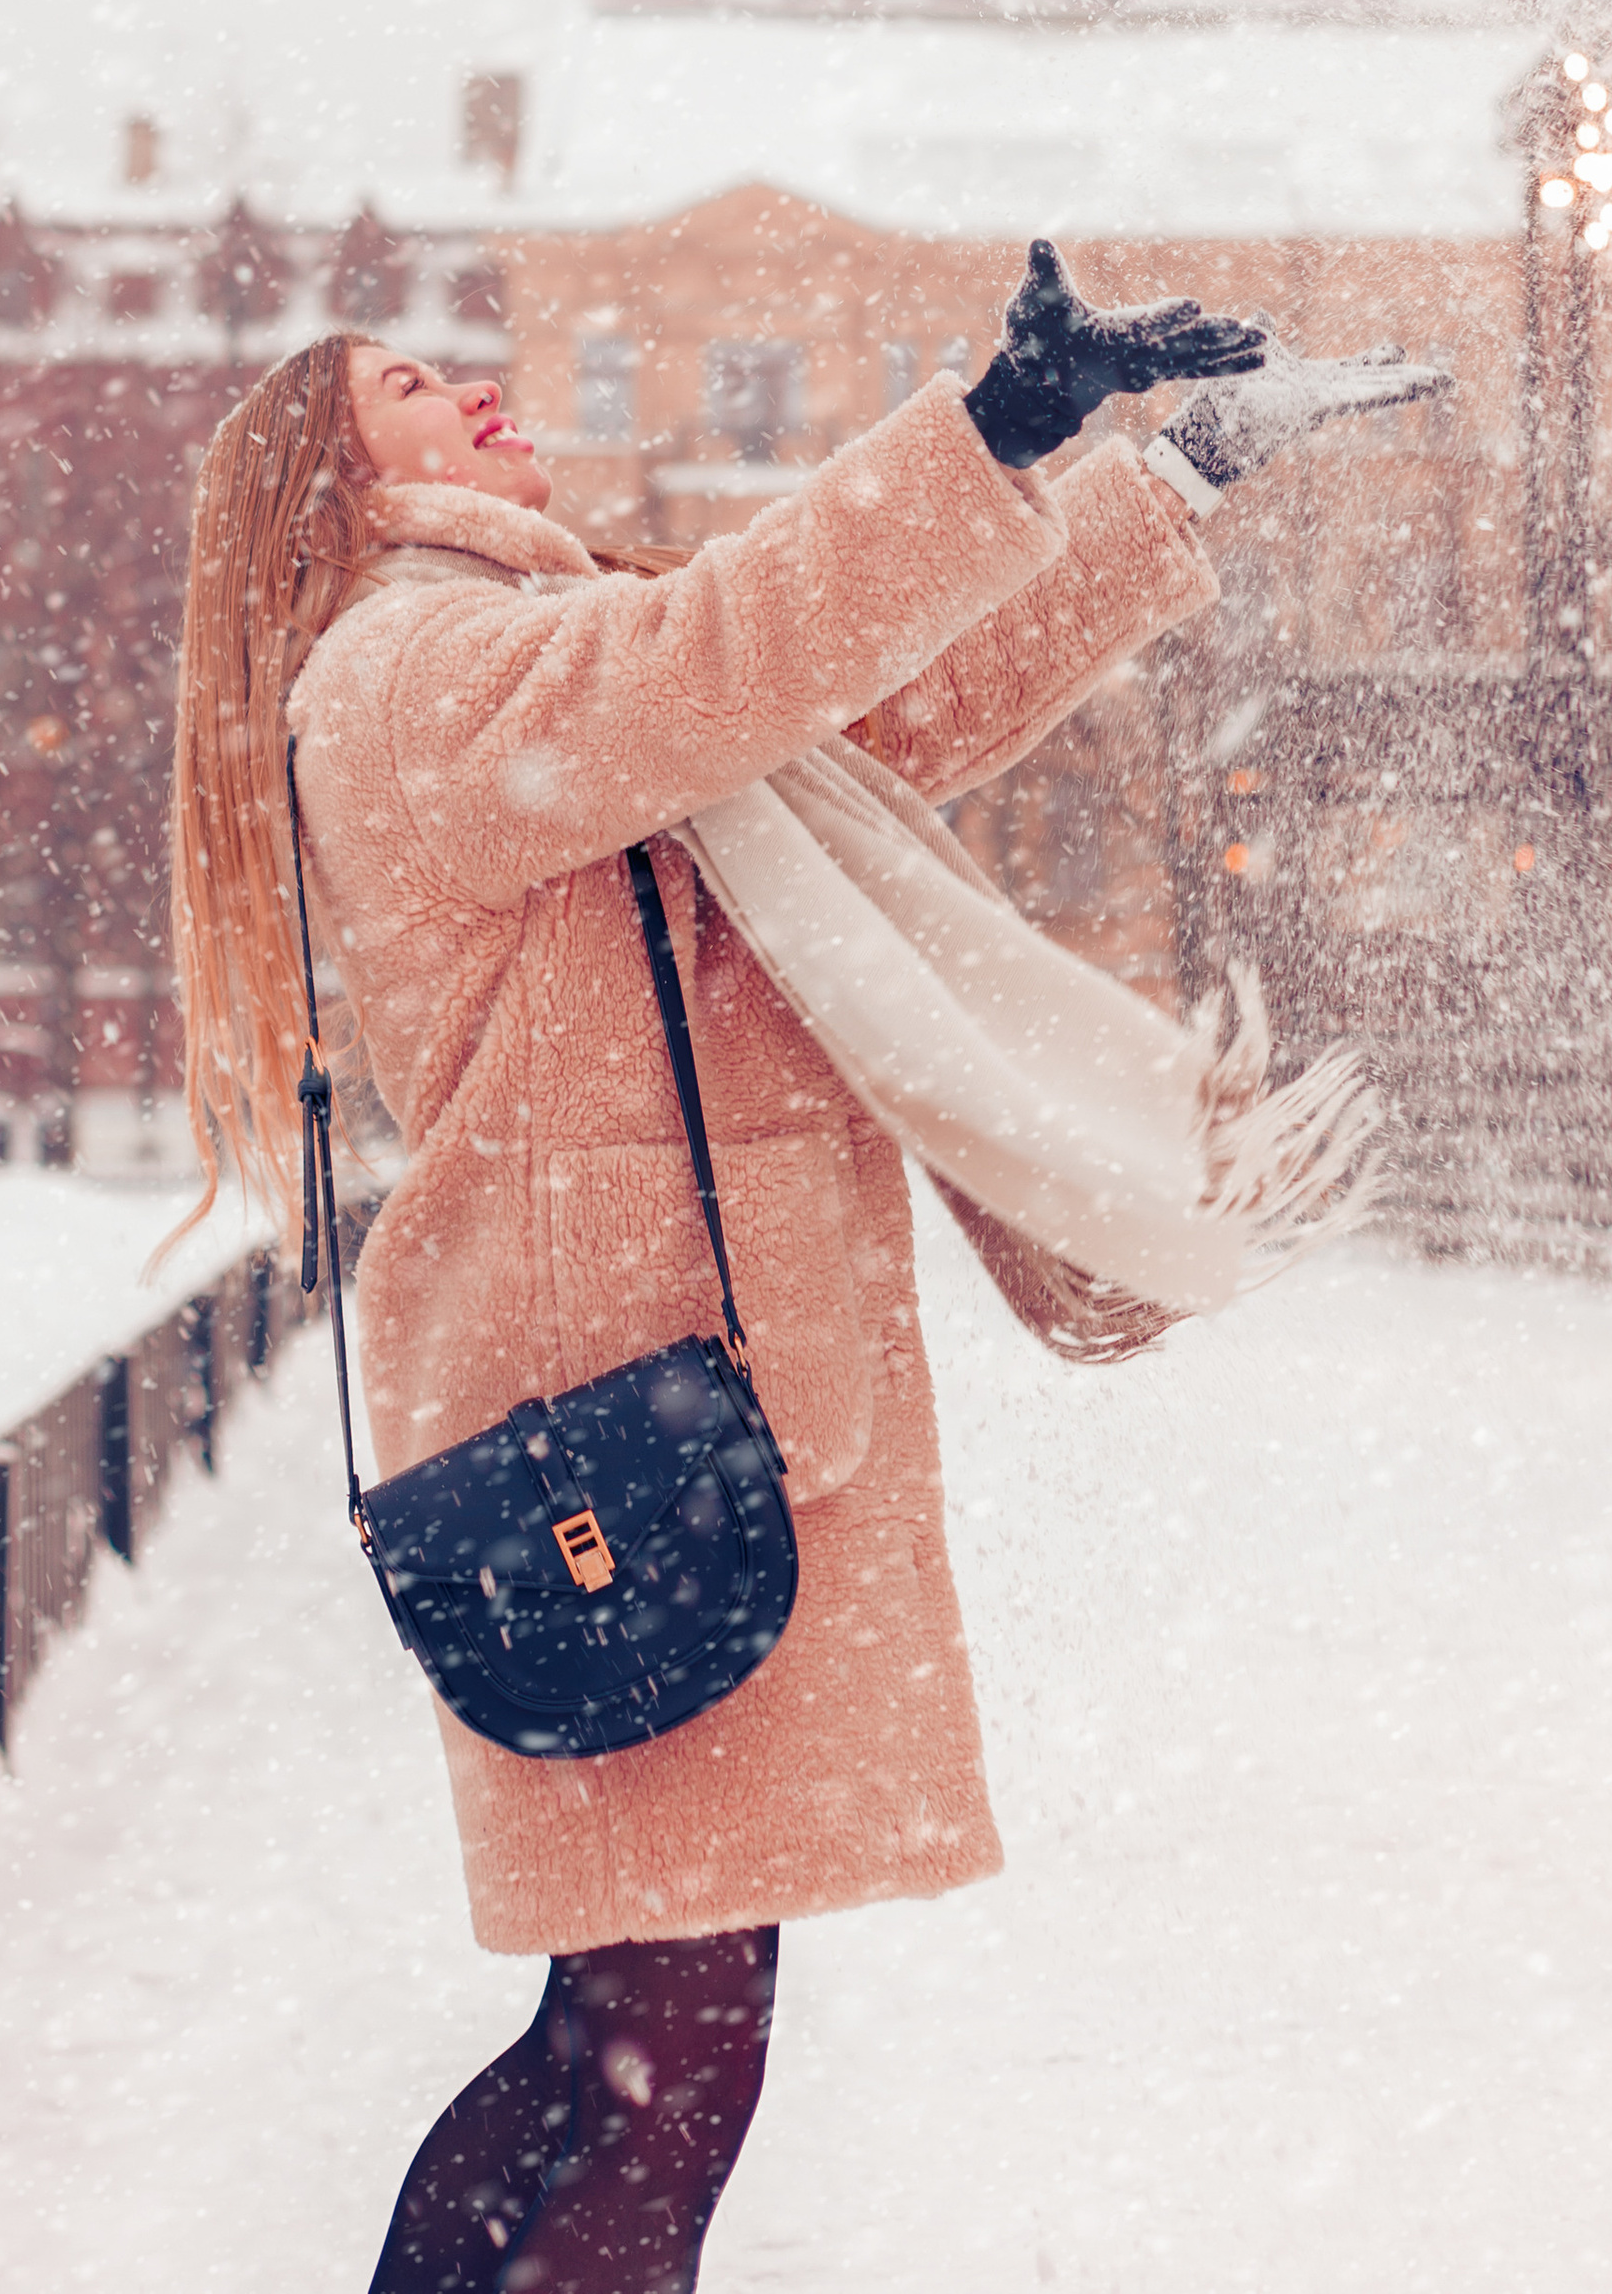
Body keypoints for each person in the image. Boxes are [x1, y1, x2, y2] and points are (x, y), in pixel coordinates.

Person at [168, 248, 1441, 2291]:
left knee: (643, 2038)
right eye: (406, 387)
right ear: (331, 481)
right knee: (660, 2046)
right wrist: (994, 428)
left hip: (657, 1412)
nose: (469, 391)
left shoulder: (539, 644)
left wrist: (1176, 474)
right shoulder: (409, 668)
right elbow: (731, 655)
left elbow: (857, 711)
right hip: (612, 1441)